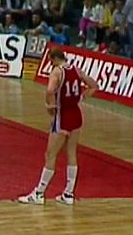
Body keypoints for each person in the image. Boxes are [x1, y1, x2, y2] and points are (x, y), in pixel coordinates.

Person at [17, 47, 100, 205]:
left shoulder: (57, 71)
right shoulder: (76, 69)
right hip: (76, 114)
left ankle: (39, 193)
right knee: (71, 153)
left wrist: (50, 106)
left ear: (54, 59)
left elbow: (49, 90)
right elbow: (94, 86)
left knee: (50, 154)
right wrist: (80, 97)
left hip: (63, 116)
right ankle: (68, 194)